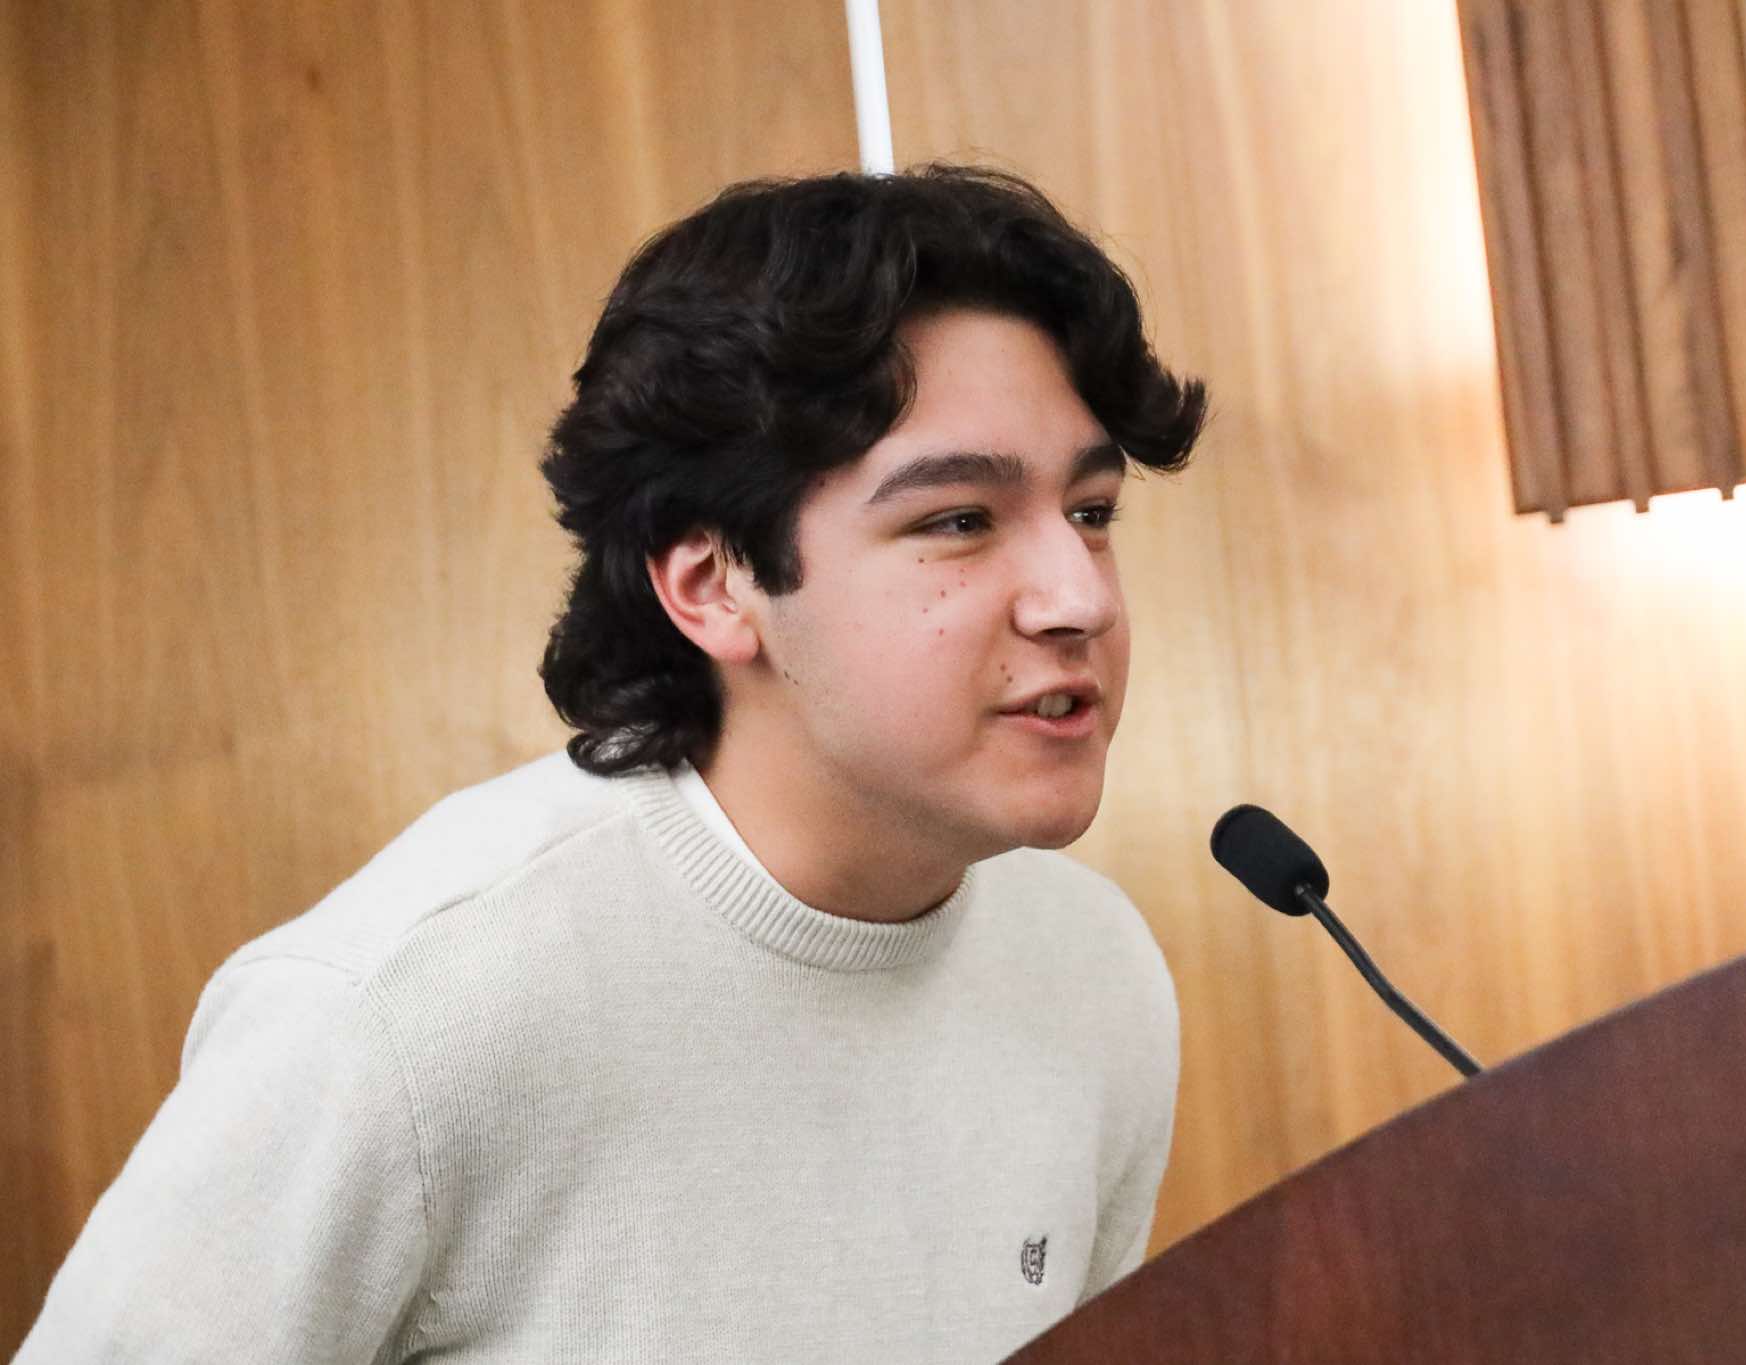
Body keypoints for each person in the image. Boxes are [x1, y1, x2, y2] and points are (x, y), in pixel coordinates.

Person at [17, 163, 1207, 1363]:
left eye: (1091, 512)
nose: (1077, 598)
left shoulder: (1093, 968)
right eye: (956, 521)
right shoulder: (404, 1012)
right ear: (713, 586)